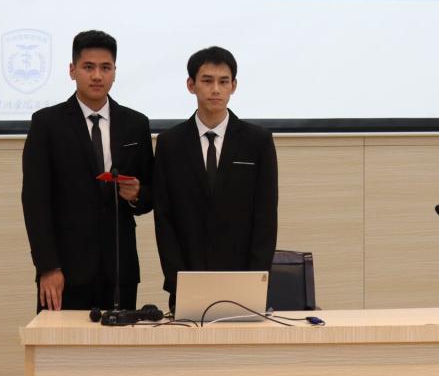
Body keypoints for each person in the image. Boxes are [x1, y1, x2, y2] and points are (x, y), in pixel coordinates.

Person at [21, 30, 153, 311]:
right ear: (72, 70)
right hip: (65, 271)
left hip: (119, 270)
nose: (97, 76)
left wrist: (137, 194)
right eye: (88, 67)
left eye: (105, 68)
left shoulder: (136, 124)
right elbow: (35, 201)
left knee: (119, 340)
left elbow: (151, 193)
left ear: (114, 72)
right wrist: (48, 267)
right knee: (58, 340)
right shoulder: (47, 124)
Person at [153, 46, 278, 309]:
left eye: (224, 82)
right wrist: (177, 279)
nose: (216, 90)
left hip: (243, 280)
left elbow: (265, 217)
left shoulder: (258, 141)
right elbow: (164, 218)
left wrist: (255, 280)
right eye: (207, 81)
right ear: (191, 85)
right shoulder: (169, 143)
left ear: (234, 86)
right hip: (187, 280)